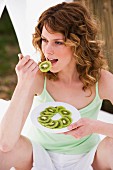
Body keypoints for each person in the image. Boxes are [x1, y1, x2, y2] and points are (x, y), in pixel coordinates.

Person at [0, 1, 113, 170]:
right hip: (38, 157)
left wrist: (96, 127)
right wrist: (23, 83)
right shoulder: (37, 77)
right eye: (45, 40)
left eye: (58, 42)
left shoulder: (101, 79)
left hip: (87, 160)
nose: (48, 50)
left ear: (78, 45)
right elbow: (5, 143)